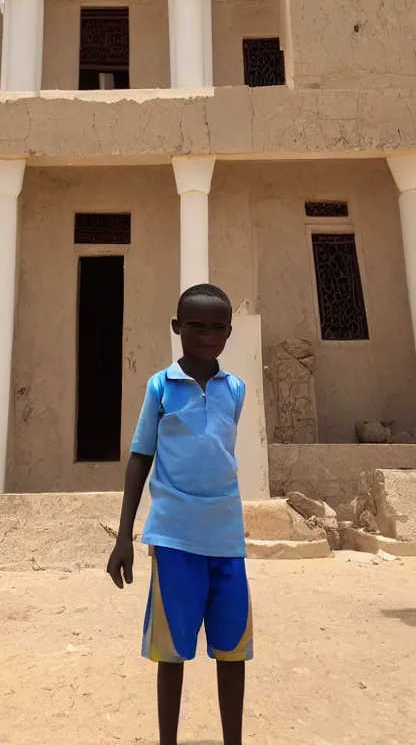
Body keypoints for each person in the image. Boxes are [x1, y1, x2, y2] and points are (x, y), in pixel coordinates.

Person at [107, 283, 253, 745]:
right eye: (196, 326)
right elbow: (139, 457)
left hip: (227, 539)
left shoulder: (235, 389)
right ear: (177, 328)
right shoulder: (160, 386)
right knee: (171, 653)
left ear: (229, 333)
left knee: (233, 651)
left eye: (217, 327)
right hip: (174, 539)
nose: (207, 335)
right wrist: (123, 535)